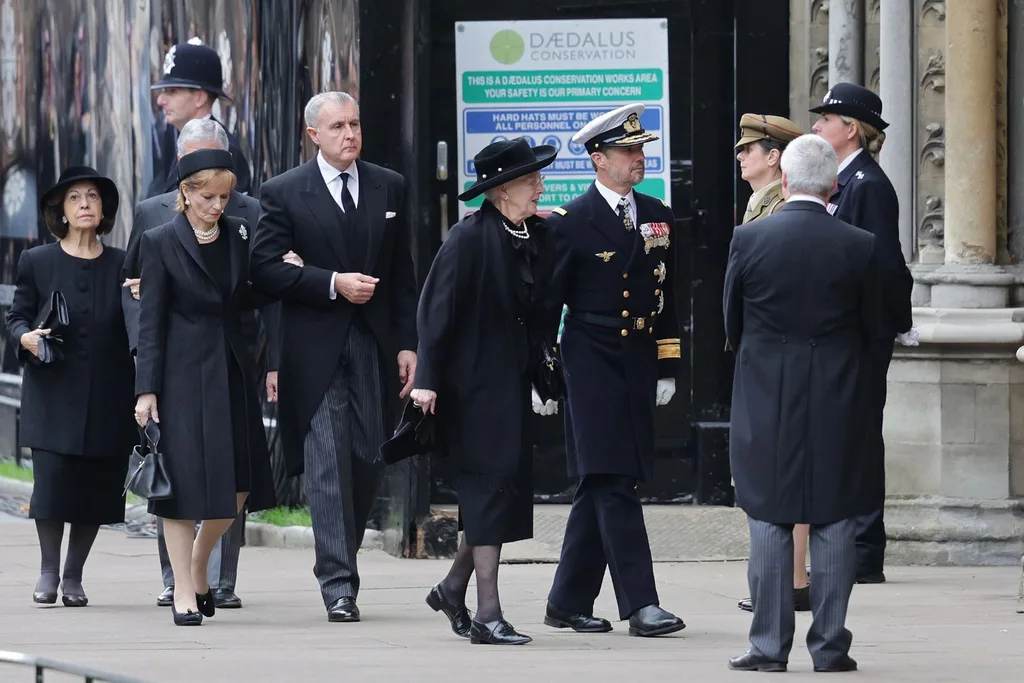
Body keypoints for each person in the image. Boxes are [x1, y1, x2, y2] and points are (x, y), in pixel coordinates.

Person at [249, 91, 419, 623]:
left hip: (371, 343)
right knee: (326, 463)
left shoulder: (388, 184)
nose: (350, 134)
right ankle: (338, 582)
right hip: (314, 347)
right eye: (338, 126)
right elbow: (265, 269)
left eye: (355, 124)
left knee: (370, 455)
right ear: (313, 135)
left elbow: (402, 272)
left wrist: (408, 342)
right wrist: (330, 283)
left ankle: (342, 551)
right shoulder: (282, 193)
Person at [724, 134, 879, 673]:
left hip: (766, 394)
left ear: (785, 181)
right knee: (834, 520)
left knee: (768, 516)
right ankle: (831, 646)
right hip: (837, 394)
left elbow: (732, 322)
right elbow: (873, 326)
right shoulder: (859, 244)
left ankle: (768, 646)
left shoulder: (749, 238)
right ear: (833, 183)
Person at [121, 118, 287, 611]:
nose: (219, 206)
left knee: (239, 484)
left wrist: (286, 273)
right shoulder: (159, 241)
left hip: (232, 368)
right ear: (186, 194)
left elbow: (251, 295)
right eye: (209, 197)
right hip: (180, 374)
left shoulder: (238, 233)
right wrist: (145, 389)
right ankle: (183, 598)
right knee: (181, 484)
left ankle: (197, 563)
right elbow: (149, 321)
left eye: (224, 197)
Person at [544, 103, 686, 638]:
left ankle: (565, 600)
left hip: (638, 356)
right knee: (613, 480)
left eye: (641, 149)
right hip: (589, 354)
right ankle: (641, 604)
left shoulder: (658, 215)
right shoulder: (569, 223)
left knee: (601, 481)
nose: (638, 158)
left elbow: (667, 296)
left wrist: (668, 363)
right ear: (597, 160)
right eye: (627, 151)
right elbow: (547, 305)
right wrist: (545, 370)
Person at [412, 138, 559, 645]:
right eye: (531, 180)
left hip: (510, 385)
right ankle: (487, 614)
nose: (541, 187)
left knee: (495, 495)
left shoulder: (533, 233)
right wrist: (427, 381)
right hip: (470, 388)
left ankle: (453, 587)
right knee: (486, 490)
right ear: (501, 191)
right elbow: (435, 313)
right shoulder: (467, 238)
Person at [5, 167, 136, 607]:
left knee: (96, 488)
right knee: (53, 485)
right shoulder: (37, 261)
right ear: (61, 210)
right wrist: (24, 336)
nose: (84, 204)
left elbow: (140, 325)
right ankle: (47, 571)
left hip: (110, 394)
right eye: (75, 198)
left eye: (93, 198)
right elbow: (17, 317)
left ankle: (74, 575)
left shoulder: (124, 264)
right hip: (52, 393)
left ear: (103, 211)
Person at [811, 82, 917, 584]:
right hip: (846, 333)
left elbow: (885, 264)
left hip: (862, 335)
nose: (816, 127)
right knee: (845, 438)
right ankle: (850, 546)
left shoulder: (867, 184)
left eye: (826, 120)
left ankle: (864, 552)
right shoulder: (844, 180)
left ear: (850, 129)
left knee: (858, 441)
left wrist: (898, 321)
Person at [731, 112, 812, 615]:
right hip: (763, 352)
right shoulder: (760, 205)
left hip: (779, 353)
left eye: (749, 149)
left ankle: (794, 576)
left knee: (785, 465)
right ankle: (786, 575)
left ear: (774, 156)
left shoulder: (781, 209)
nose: (741, 156)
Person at [148, 39, 251, 198]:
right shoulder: (173, 135)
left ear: (200, 98)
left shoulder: (223, 150)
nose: (160, 101)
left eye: (172, 91)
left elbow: (231, 215)